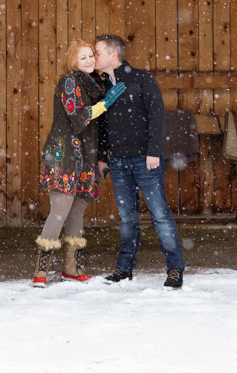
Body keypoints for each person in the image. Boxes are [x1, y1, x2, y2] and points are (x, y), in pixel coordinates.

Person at [93, 34, 186, 289]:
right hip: (119, 162)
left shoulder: (142, 79)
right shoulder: (100, 85)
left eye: (98, 51)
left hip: (146, 161)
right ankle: (124, 269)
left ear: (114, 54)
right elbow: (102, 125)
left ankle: (175, 269)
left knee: (160, 215)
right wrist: (103, 158)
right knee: (126, 217)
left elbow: (157, 116)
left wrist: (153, 151)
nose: (94, 56)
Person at [32, 39, 125, 287]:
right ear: (72, 61)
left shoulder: (94, 85)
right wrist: (105, 105)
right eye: (82, 57)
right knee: (60, 212)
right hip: (64, 155)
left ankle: (72, 269)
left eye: (91, 56)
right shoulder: (69, 82)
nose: (88, 61)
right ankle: (41, 271)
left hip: (85, 155)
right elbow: (77, 116)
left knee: (76, 213)